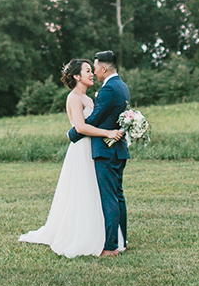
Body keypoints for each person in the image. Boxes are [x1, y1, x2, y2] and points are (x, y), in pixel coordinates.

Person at [19, 59, 124, 258]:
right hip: (80, 150)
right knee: (81, 192)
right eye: (87, 71)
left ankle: (100, 235)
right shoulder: (74, 98)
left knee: (93, 192)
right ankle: (80, 235)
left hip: (92, 149)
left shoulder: (89, 99)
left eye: (91, 71)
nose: (92, 74)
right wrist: (108, 133)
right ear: (77, 76)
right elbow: (80, 128)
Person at [67, 50, 130, 258]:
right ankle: (122, 240)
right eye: (88, 70)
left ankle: (111, 246)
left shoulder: (107, 90)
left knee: (110, 198)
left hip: (105, 150)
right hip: (115, 150)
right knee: (117, 197)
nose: (93, 72)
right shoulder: (122, 86)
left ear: (104, 68)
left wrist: (72, 133)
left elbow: (91, 121)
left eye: (94, 68)